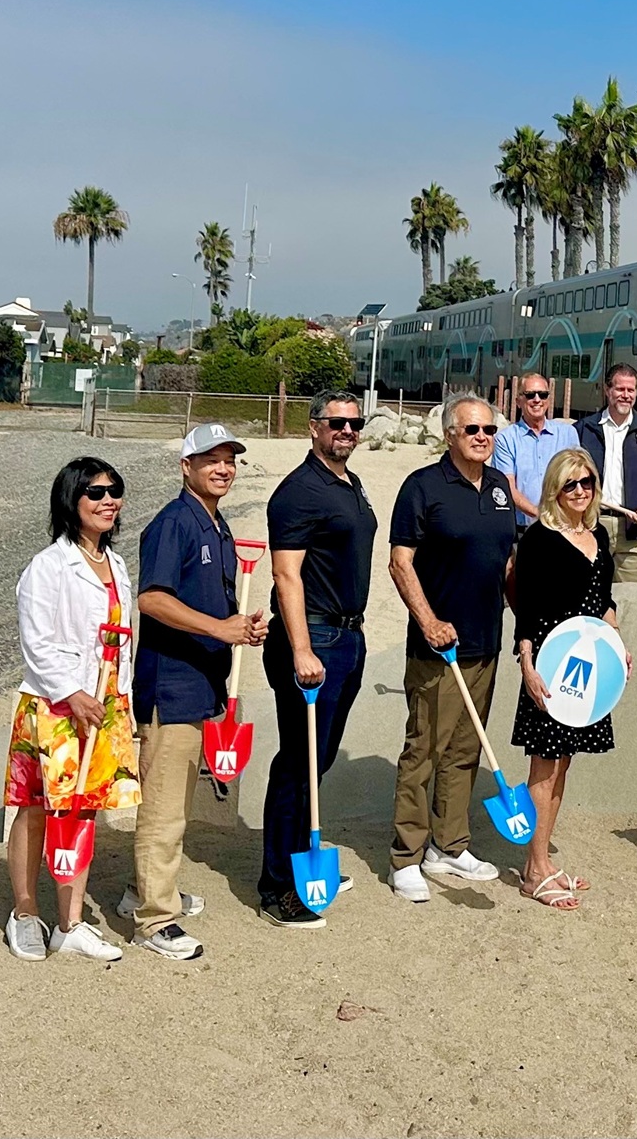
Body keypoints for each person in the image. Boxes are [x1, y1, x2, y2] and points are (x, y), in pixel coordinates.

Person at [130, 425, 265, 960]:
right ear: (186, 465)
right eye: (210, 459)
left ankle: (145, 889)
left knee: (177, 802)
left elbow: (211, 604)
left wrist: (241, 627)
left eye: (229, 459)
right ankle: (154, 919)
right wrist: (219, 629)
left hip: (201, 683)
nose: (223, 468)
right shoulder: (173, 523)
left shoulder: (216, 523)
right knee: (163, 808)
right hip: (171, 686)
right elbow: (151, 599)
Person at [6, 457, 142, 961]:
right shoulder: (48, 566)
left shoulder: (117, 565)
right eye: (95, 492)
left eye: (114, 490)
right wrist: (69, 691)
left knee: (82, 810)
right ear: (72, 500)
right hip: (54, 707)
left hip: (104, 706)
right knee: (36, 808)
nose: (108, 501)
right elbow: (36, 640)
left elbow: (121, 642)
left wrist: (121, 699)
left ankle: (71, 922)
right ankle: (25, 912)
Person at [385, 393, 518, 902]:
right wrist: (428, 621)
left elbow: (506, 562)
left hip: (486, 642)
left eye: (489, 430)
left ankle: (449, 845)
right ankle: (406, 857)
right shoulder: (422, 487)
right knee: (424, 751)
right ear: (449, 435)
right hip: (438, 650)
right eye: (472, 430)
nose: (482, 437)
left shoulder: (500, 487)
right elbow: (400, 562)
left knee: (465, 751)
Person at [256, 391, 379, 929]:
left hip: (349, 636)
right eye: (336, 422)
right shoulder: (298, 492)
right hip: (315, 639)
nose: (347, 430)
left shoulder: (349, 483)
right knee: (296, 765)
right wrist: (302, 649)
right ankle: (278, 887)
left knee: (318, 760)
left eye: (355, 422)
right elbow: (286, 575)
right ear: (313, 427)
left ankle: (304, 860)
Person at [508, 449, 622, 910]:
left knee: (564, 764)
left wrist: (617, 646)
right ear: (555, 489)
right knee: (544, 764)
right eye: (569, 484)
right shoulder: (539, 538)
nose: (579, 491)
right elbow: (526, 608)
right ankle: (535, 869)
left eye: (586, 482)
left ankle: (543, 861)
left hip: (589, 668)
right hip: (551, 667)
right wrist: (527, 665)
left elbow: (604, 600)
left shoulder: (599, 534)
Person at [576, 362, 637, 552]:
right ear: (607, 390)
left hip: (636, 533)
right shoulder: (583, 429)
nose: (626, 395)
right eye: (620, 389)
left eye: (631, 390)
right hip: (591, 526)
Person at [490, 373, 581, 523]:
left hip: (563, 524)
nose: (537, 399)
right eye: (530, 395)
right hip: (523, 527)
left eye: (543, 395)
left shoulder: (568, 434)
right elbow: (506, 487)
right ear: (518, 401)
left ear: (548, 400)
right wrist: (539, 515)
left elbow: (578, 479)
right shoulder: (505, 439)